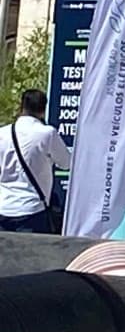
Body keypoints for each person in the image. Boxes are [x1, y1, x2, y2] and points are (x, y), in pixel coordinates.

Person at [1, 85, 70, 234]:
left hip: (3, 207)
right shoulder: (47, 134)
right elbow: (66, 163)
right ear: (43, 110)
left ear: (22, 107)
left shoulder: (3, 133)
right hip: (32, 209)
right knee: (31, 256)